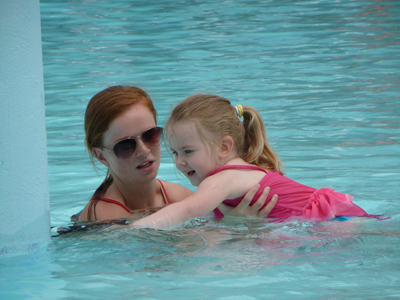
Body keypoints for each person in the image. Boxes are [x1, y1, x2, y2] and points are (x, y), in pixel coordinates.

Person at [131, 94, 382, 230]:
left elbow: (186, 211)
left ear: (224, 147)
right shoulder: (233, 178)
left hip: (338, 222)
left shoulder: (223, 178)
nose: (180, 162)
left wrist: (133, 232)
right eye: (175, 153)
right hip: (335, 221)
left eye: (187, 151)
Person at [78, 86, 278, 222]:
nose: (144, 150)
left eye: (150, 135)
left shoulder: (179, 197)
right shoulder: (104, 214)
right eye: (126, 146)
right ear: (102, 156)